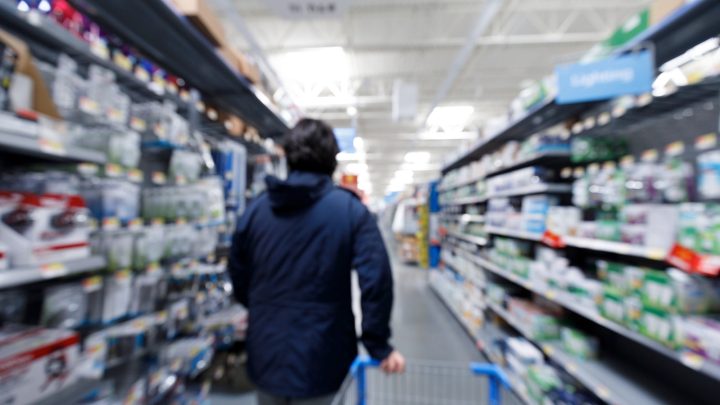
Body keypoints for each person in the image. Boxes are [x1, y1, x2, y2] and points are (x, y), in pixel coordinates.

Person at [228, 118, 405, 405]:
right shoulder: (350, 211)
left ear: (288, 156)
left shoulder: (257, 209)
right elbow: (376, 278)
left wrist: (260, 307)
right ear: (332, 161)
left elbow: (238, 268)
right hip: (323, 356)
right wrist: (378, 344)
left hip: (266, 352)